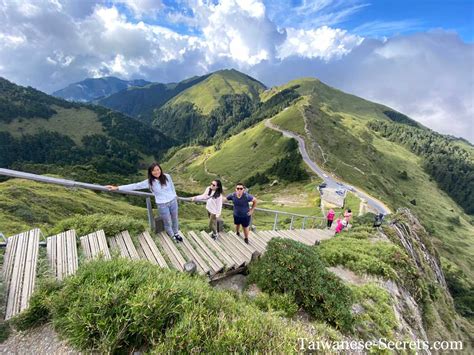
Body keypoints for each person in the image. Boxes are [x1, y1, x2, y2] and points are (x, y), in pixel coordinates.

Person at [105, 163, 183, 243]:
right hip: (162, 204)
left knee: (175, 218)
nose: (156, 172)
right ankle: (172, 235)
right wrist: (118, 188)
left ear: (160, 169)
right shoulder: (149, 182)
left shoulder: (167, 176)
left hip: (173, 201)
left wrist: (175, 194)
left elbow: (172, 186)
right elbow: (135, 186)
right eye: (154, 171)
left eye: (158, 170)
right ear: (150, 172)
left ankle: (176, 233)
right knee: (167, 221)